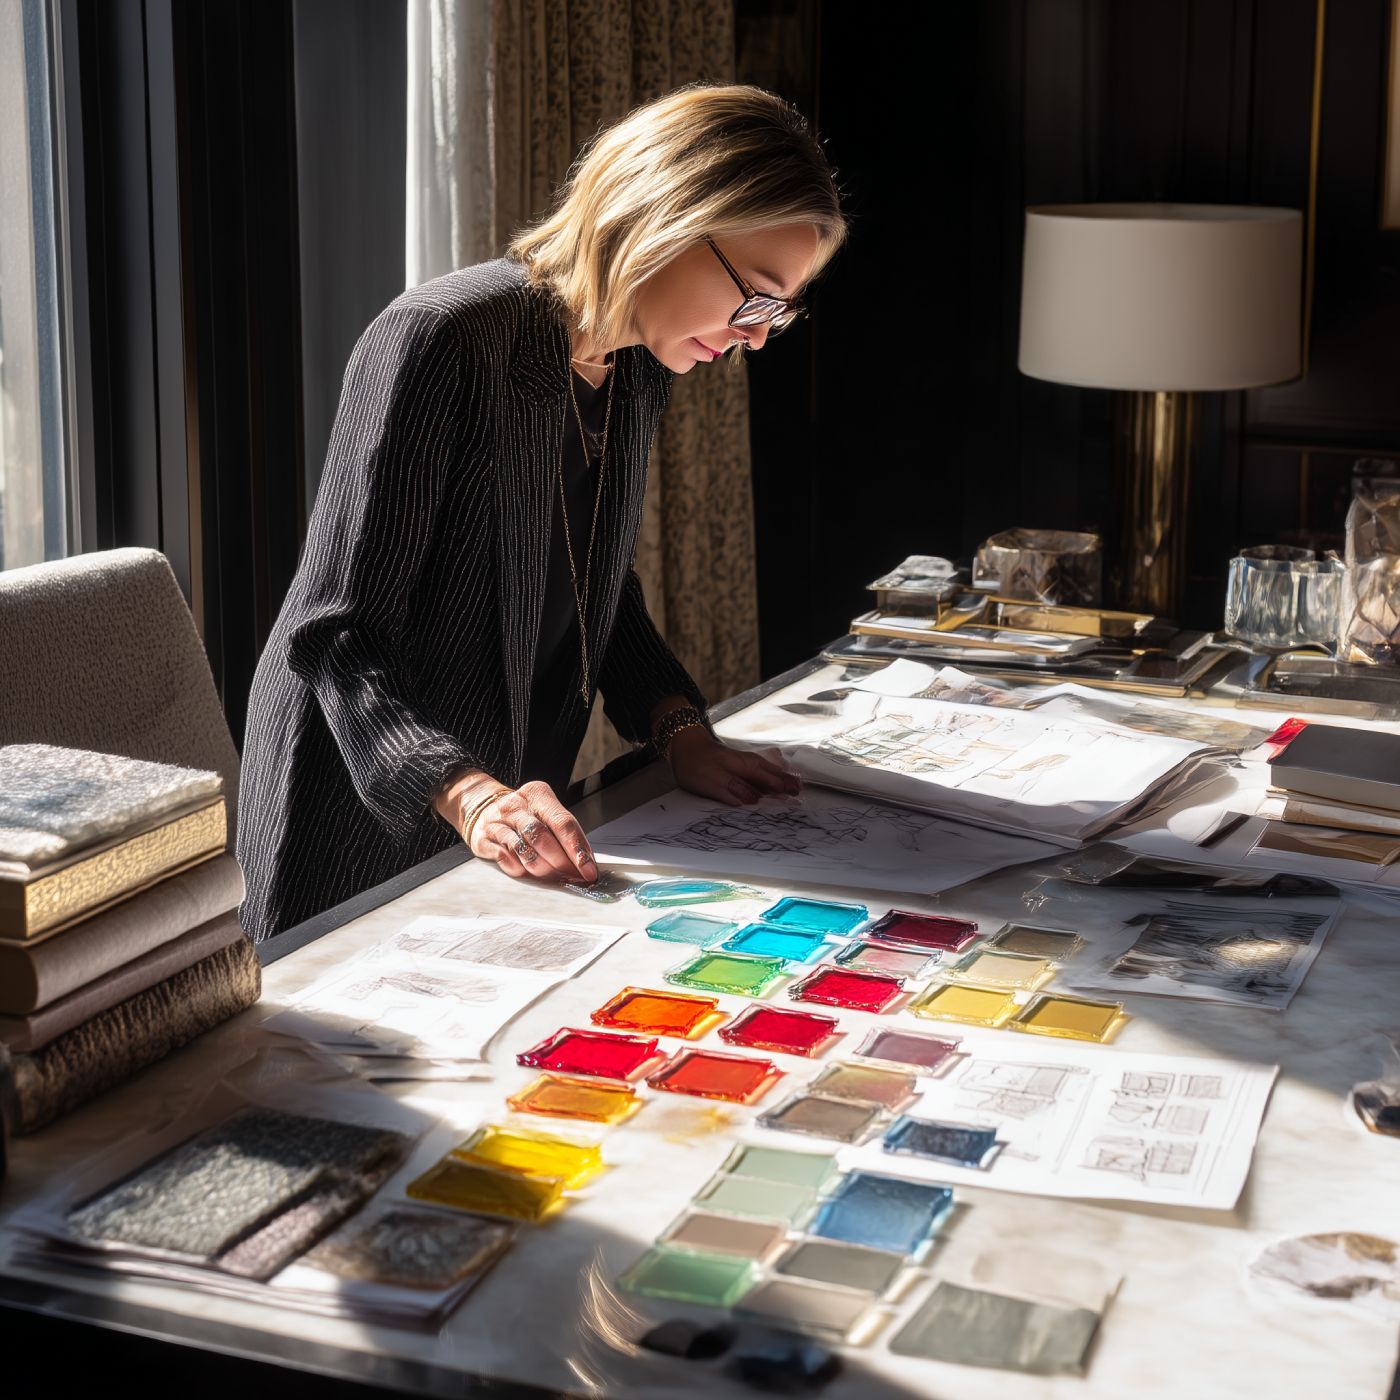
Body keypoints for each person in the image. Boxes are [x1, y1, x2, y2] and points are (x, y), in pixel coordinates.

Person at [236, 83, 848, 941]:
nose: (755, 336)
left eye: (778, 312)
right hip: (363, 809)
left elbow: (596, 584)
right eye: (754, 293)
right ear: (663, 216)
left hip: (510, 804)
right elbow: (335, 631)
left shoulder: (635, 369)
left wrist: (681, 731)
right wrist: (469, 791)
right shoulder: (439, 338)